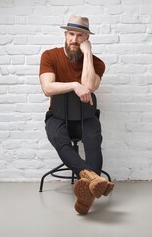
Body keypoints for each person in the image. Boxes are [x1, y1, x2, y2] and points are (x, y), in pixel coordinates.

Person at [39, 15, 114, 215]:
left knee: (93, 141)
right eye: (71, 34)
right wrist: (73, 85)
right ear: (65, 35)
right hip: (57, 117)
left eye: (80, 36)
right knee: (61, 141)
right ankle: (94, 180)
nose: (74, 39)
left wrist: (87, 54)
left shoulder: (97, 63)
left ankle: (86, 194)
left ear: (86, 38)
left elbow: (89, 86)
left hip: (86, 117)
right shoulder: (49, 56)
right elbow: (47, 88)